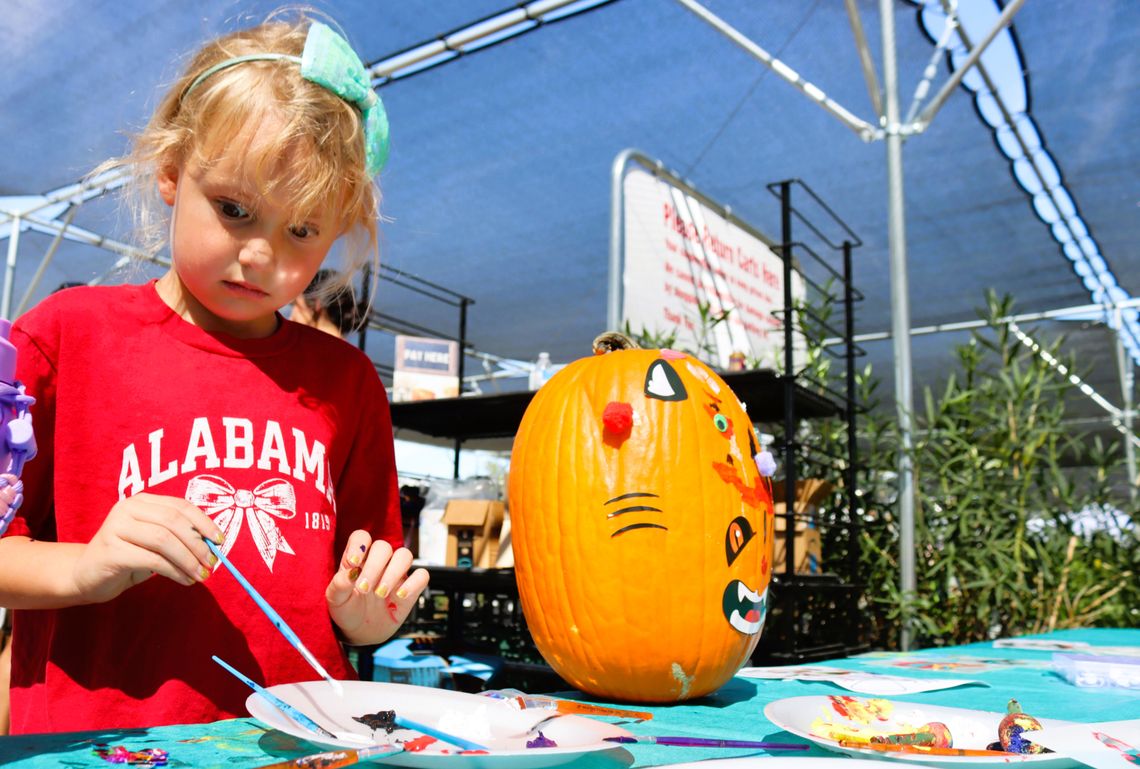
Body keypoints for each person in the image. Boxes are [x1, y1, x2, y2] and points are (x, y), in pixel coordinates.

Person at [0, 11, 428, 733]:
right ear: (171, 171)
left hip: (302, 746)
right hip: (103, 746)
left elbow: (362, 590)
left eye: (301, 230)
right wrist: (83, 566)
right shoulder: (65, 338)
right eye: (234, 210)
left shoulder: (346, 383)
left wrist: (366, 620)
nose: (262, 255)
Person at [291, 268, 365, 340]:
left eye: (296, 305)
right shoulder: (347, 350)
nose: (291, 317)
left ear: (317, 305)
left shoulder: (308, 349)